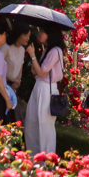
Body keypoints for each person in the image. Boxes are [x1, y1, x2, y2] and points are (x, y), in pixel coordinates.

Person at [24, 27, 66, 156]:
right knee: (31, 124)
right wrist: (34, 64)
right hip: (40, 86)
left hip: (47, 89)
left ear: (50, 34)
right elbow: (38, 71)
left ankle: (47, 161)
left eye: (42, 32)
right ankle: (34, 159)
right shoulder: (47, 50)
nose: (39, 34)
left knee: (45, 127)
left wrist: (32, 55)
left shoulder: (55, 51)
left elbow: (42, 72)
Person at [2, 23, 31, 121]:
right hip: (3, 85)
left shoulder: (22, 50)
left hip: (15, 86)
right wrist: (13, 80)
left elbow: (20, 68)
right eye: (25, 35)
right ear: (18, 34)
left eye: (29, 36)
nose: (27, 38)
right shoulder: (6, 47)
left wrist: (17, 81)